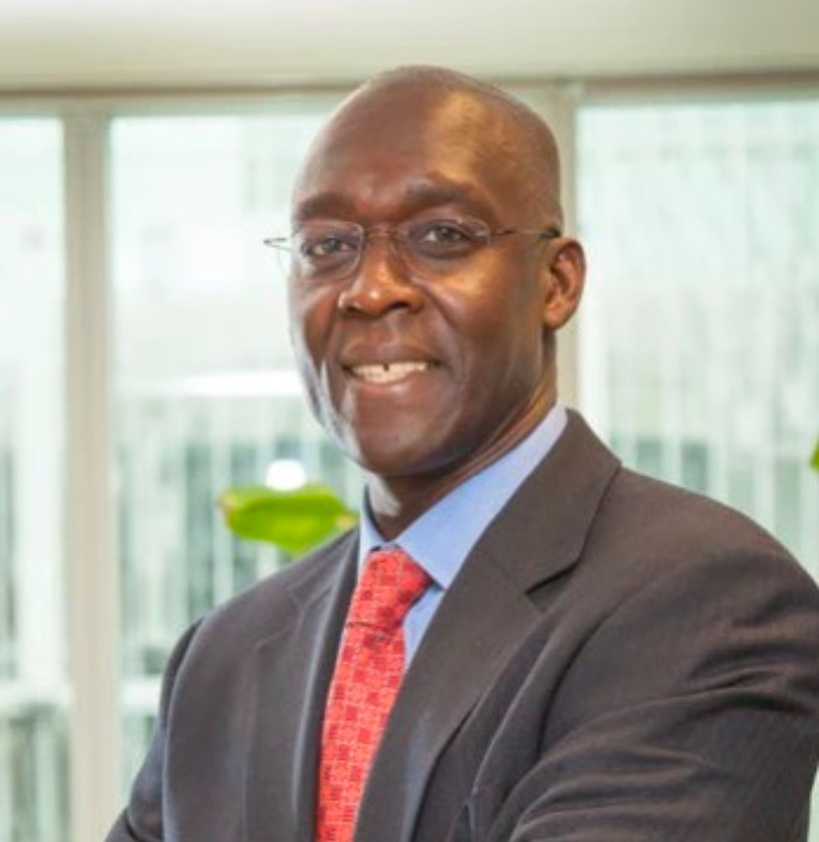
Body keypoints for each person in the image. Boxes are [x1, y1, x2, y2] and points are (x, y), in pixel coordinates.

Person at [106, 66, 819, 842]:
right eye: (327, 246)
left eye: (441, 237)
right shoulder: (224, 657)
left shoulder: (709, 604)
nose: (369, 290)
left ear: (555, 283)